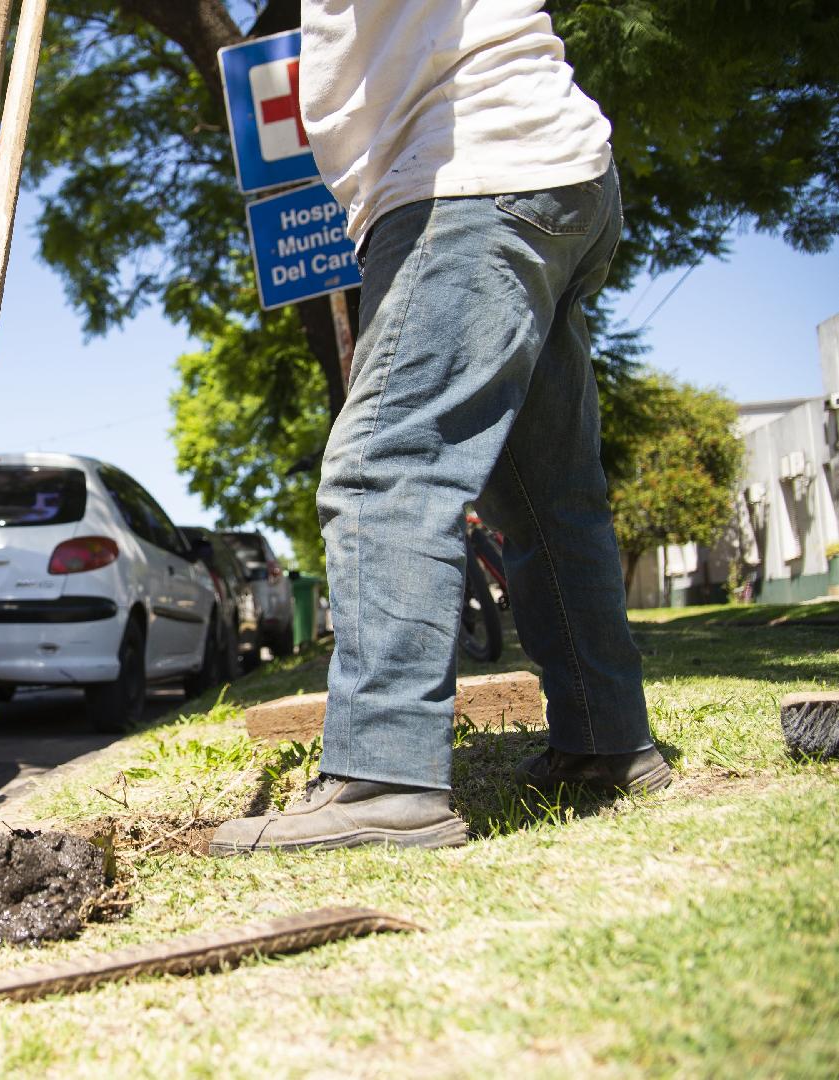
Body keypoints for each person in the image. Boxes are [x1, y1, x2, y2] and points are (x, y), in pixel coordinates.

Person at [213, 1, 669, 855]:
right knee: (544, 494)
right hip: (547, 164)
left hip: (467, 178)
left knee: (387, 469)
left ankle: (385, 781)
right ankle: (606, 741)